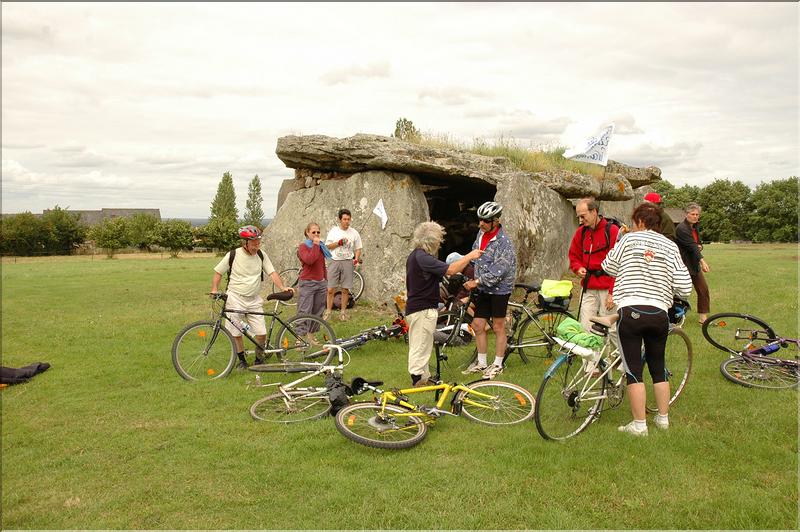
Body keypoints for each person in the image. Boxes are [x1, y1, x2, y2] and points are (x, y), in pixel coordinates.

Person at [601, 203, 692, 436]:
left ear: (640, 221)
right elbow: (685, 287)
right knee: (658, 367)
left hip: (630, 310)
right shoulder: (670, 246)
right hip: (659, 313)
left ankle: (639, 425)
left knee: (633, 370)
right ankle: (663, 419)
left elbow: (608, 266)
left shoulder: (629, 240)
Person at [405, 222, 482, 387]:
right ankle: (417, 380)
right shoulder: (422, 257)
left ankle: (424, 378)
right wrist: (469, 256)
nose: (440, 243)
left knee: (422, 344)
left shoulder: (415, 256)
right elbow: (451, 270)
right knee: (421, 345)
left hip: (417, 307)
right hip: (422, 309)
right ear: (431, 240)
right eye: (439, 240)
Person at [210, 225, 294, 369]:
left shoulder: (261, 255)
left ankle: (259, 359)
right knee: (236, 332)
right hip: (235, 297)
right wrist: (214, 289)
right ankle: (242, 360)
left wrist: (282, 287)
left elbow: (272, 273)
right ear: (245, 243)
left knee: (261, 333)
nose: (257, 246)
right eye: (254, 243)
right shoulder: (233, 255)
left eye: (258, 242)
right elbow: (218, 272)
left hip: (254, 299)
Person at [461, 201, 517, 379]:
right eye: (480, 220)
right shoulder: (481, 234)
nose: (481, 224)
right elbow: (474, 255)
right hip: (483, 288)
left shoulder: (504, 243)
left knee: (499, 326)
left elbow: (499, 271)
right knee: (478, 325)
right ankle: (482, 362)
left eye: (485, 221)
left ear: (496, 221)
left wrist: (476, 282)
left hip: (499, 290)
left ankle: (498, 364)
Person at [568, 198, 620, 332]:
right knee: (586, 327)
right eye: (578, 217)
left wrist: (612, 293)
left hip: (607, 287)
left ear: (594, 212)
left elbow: (618, 265)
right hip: (588, 287)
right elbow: (573, 255)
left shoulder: (612, 231)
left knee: (612, 329)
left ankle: (618, 353)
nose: (580, 220)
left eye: (583, 216)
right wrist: (578, 268)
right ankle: (593, 353)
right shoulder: (581, 232)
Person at [323, 208, 363, 321]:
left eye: (348, 219)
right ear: (340, 219)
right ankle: (328, 312)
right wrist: (338, 243)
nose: (347, 221)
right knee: (331, 289)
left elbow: (358, 248)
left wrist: (356, 258)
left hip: (347, 262)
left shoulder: (354, 232)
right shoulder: (334, 231)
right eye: (344, 219)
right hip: (334, 261)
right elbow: (327, 246)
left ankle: (343, 313)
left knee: (345, 289)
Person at [675, 202, 711, 323]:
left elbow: (697, 244)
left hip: (693, 263)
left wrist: (700, 246)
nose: (695, 216)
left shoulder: (695, 227)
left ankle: (703, 319)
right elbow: (691, 246)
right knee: (678, 292)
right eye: (692, 214)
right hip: (683, 265)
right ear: (686, 214)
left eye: (697, 214)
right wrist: (702, 261)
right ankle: (672, 317)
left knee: (703, 289)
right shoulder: (681, 228)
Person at [295, 222, 330, 344]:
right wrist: (315, 245)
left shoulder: (321, 246)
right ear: (307, 233)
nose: (316, 234)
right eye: (313, 232)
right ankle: (299, 338)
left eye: (318, 232)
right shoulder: (303, 246)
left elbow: (321, 264)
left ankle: (311, 335)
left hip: (321, 283)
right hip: (307, 283)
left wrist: (325, 280)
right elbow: (310, 260)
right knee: (304, 310)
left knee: (317, 312)